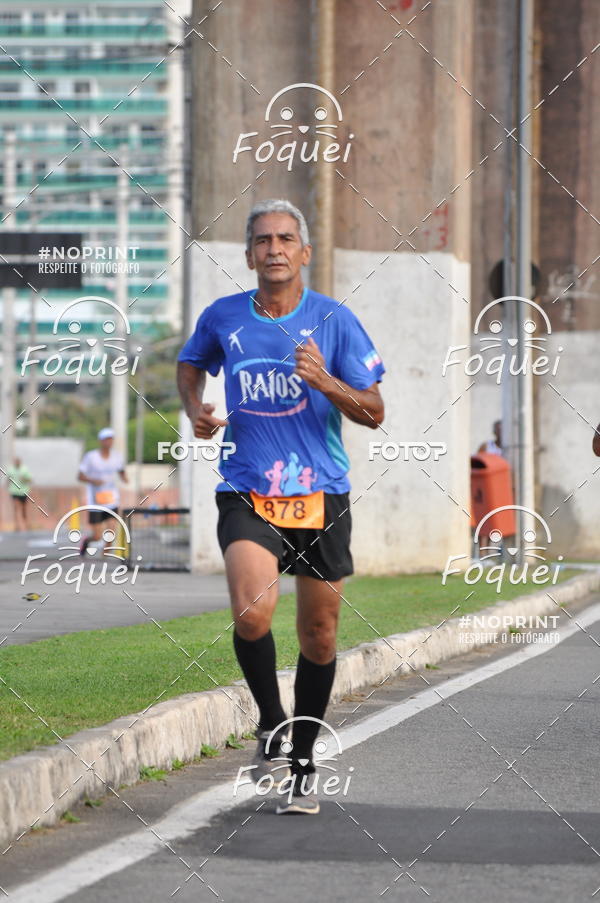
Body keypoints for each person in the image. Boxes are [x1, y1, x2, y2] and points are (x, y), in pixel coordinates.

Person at [177, 198, 385, 814]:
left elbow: (375, 411)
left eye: (285, 238)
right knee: (252, 613)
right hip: (248, 488)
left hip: (322, 492)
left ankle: (303, 761)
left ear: (304, 251)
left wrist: (327, 383)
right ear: (248, 254)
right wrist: (195, 409)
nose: (274, 248)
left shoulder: (335, 321)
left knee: (319, 636)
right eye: (263, 239)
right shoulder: (223, 317)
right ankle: (271, 721)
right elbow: (190, 365)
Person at [77, 427, 128, 556]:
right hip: (95, 501)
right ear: (101, 441)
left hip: (111, 500)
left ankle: (104, 557)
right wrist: (93, 480)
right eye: (106, 439)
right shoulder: (91, 457)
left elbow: (121, 471)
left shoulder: (117, 457)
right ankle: (87, 541)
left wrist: (125, 478)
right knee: (98, 536)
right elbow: (80, 476)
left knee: (111, 532)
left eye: (111, 439)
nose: (109, 442)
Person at [6, 456, 32, 531]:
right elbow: (8, 479)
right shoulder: (11, 469)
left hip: (23, 491)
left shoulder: (24, 470)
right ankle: (16, 524)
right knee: (16, 507)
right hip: (14, 491)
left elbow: (30, 479)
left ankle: (26, 524)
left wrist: (24, 479)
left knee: (23, 508)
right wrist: (7, 487)